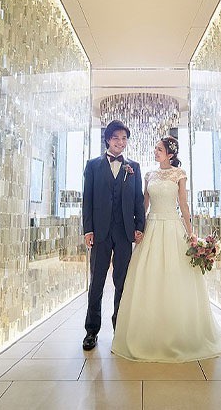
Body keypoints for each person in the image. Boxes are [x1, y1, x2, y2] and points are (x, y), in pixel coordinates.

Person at [112, 136, 221, 362]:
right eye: (155, 148)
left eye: (159, 149)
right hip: (152, 227)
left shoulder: (179, 174)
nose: (155, 152)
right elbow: (143, 205)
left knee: (175, 275)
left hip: (172, 227)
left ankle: (178, 329)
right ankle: (148, 329)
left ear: (170, 154)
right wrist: (138, 228)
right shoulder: (149, 175)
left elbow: (183, 204)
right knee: (148, 275)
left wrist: (191, 233)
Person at [82, 120, 145, 350]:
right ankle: (91, 331)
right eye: (116, 138)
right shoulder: (92, 165)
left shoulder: (133, 167)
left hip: (124, 232)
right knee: (97, 282)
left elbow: (138, 199)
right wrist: (88, 229)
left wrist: (140, 226)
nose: (121, 142)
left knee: (122, 282)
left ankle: (120, 328)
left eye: (124, 138)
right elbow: (87, 199)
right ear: (108, 139)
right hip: (100, 232)